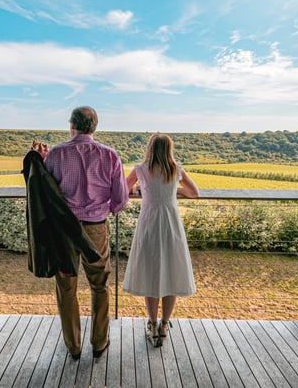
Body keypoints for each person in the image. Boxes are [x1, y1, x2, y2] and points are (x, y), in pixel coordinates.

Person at [31, 106, 128, 360]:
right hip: (96, 228)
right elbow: (120, 200)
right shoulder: (110, 156)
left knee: (66, 288)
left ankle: (73, 346)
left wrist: (38, 160)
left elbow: (46, 192)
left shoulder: (55, 155)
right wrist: (105, 208)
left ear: (71, 125)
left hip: (65, 230)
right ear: (94, 127)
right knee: (100, 285)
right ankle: (99, 343)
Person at [122, 133, 199, 347]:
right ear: (169, 149)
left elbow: (124, 189)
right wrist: (175, 189)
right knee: (172, 271)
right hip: (170, 224)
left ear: (150, 148)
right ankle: (165, 324)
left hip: (149, 223)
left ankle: (153, 324)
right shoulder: (176, 168)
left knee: (150, 272)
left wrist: (140, 189)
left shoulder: (141, 169)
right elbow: (194, 192)